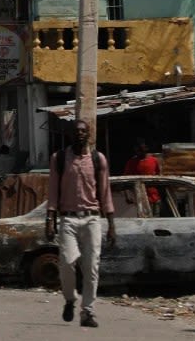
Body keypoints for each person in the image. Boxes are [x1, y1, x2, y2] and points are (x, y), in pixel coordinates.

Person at [47, 120, 116, 328]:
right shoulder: (59, 158)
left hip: (92, 218)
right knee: (67, 262)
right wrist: (49, 220)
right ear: (70, 135)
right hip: (67, 217)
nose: (79, 134)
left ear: (89, 135)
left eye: (83, 131)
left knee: (91, 266)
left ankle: (88, 312)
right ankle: (70, 298)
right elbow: (52, 191)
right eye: (76, 131)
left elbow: (105, 193)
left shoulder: (98, 159)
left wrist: (112, 224)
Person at [123, 138, 162, 215]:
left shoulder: (154, 160)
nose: (139, 152)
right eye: (137, 150)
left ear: (146, 148)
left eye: (141, 149)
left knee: (156, 222)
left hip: (155, 198)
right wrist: (127, 195)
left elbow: (159, 178)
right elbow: (125, 180)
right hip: (140, 200)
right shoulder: (131, 162)